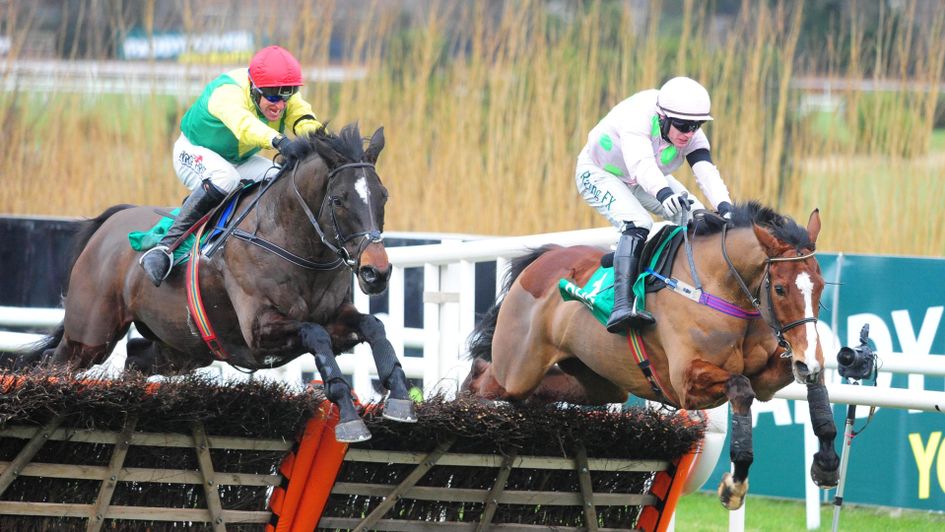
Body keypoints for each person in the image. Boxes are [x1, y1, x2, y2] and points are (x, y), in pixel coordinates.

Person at [139, 45, 324, 286]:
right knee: (224, 178)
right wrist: (280, 141)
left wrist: (325, 143)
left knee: (280, 177)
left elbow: (303, 118)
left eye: (285, 97)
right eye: (272, 97)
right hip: (194, 151)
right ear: (254, 89)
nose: (279, 105)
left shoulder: (280, 91)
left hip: (238, 160)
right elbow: (245, 125)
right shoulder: (227, 93)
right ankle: (164, 248)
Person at [575, 76, 734, 333]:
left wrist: (726, 207)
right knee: (639, 223)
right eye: (683, 126)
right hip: (600, 172)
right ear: (662, 117)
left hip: (642, 177)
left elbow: (706, 171)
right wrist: (663, 193)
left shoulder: (688, 129)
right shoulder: (638, 116)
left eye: (697, 125)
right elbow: (641, 164)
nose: (689, 133)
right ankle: (621, 306)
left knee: (698, 217)